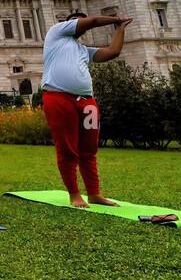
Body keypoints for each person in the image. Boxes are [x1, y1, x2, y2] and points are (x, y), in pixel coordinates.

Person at [40, 12, 131, 208]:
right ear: (68, 24)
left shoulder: (83, 50)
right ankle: (74, 194)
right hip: (58, 97)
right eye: (77, 21)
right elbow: (93, 22)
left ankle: (94, 193)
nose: (80, 24)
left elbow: (113, 52)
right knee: (67, 148)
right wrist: (116, 18)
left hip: (86, 101)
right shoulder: (56, 34)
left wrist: (120, 28)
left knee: (89, 149)